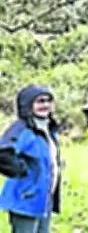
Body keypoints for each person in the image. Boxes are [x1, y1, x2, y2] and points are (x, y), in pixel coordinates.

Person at [0, 86, 61, 233]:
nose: (45, 105)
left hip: (44, 198)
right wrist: (22, 171)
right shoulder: (21, 129)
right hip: (25, 200)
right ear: (27, 104)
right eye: (40, 101)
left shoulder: (47, 128)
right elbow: (3, 153)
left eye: (48, 101)